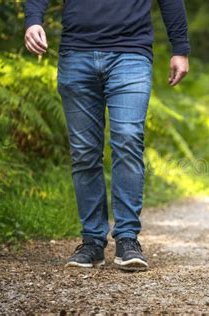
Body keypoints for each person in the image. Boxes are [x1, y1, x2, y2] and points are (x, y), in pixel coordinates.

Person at [24, 0, 190, 271]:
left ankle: (127, 239)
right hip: (76, 54)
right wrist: (33, 20)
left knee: (128, 140)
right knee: (84, 152)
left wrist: (180, 48)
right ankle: (92, 241)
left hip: (131, 55)